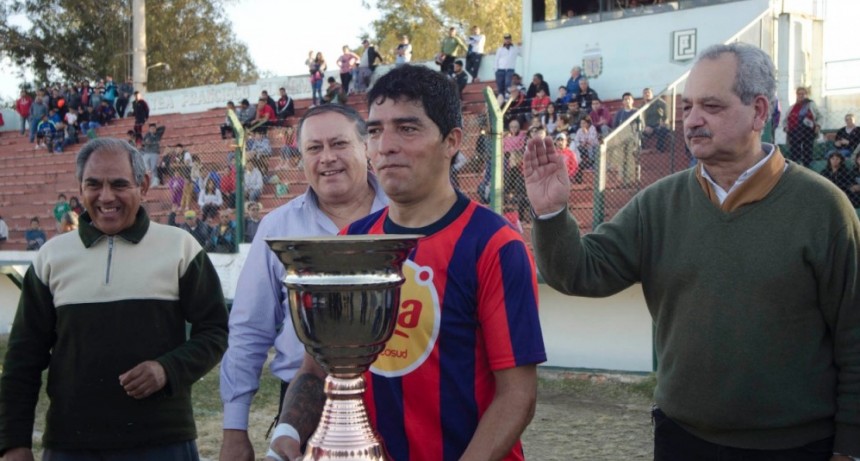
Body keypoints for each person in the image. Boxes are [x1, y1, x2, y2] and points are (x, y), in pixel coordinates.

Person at [524, 42, 860, 461]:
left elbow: (854, 334)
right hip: (681, 439)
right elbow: (580, 272)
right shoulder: (657, 203)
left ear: (758, 112)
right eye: (687, 107)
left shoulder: (823, 208)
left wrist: (850, 446)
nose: (692, 120)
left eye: (711, 106)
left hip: (795, 446)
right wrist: (552, 211)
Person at [267, 64, 546, 461]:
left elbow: (517, 396)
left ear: (452, 141)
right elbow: (316, 369)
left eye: (407, 128)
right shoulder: (349, 244)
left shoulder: (495, 245)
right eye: (376, 131)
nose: (386, 146)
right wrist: (288, 432)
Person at [0, 137, 229, 461]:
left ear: (144, 185)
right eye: (93, 185)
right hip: (71, 446)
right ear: (80, 188)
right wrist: (13, 442)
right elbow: (23, 357)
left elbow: (216, 331)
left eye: (119, 184)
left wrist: (167, 370)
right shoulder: (51, 258)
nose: (106, 197)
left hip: (163, 443)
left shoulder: (180, 248)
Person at [218, 104, 388, 461]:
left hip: (397, 401)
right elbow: (249, 328)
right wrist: (234, 430)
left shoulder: (404, 218)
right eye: (314, 148)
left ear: (366, 148)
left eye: (339, 144)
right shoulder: (278, 228)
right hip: (302, 408)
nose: (327, 158)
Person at [784, 86, 821, 167]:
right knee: (794, 151)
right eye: (799, 94)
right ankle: (795, 166)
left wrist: (818, 125)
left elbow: (819, 116)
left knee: (807, 150)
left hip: (808, 131)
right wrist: (786, 127)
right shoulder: (792, 107)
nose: (801, 95)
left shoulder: (811, 105)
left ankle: (807, 166)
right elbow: (785, 120)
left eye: (803, 94)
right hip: (794, 132)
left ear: (806, 95)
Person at [611, 92, 642, 186]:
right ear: (622, 102)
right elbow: (615, 126)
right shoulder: (619, 113)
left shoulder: (637, 112)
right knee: (621, 160)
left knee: (631, 160)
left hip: (633, 138)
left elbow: (641, 126)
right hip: (621, 139)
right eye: (625, 99)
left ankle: (633, 180)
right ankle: (622, 181)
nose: (627, 100)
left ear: (632, 101)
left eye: (629, 99)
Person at [642, 87, 671, 152]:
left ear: (652, 94)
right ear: (643, 96)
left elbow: (667, 108)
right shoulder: (642, 106)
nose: (647, 94)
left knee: (662, 130)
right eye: (645, 93)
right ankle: (642, 150)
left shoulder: (657, 101)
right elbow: (639, 118)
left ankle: (659, 149)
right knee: (638, 133)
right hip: (647, 126)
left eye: (648, 92)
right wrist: (644, 127)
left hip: (658, 125)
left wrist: (664, 120)